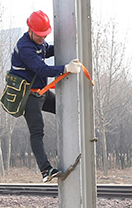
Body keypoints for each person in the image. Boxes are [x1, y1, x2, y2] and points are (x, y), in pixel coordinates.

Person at [9, 10, 81, 181]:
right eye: (39, 35)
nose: (42, 39)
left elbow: (47, 51)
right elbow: (42, 69)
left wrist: (70, 44)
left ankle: (68, 150)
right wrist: (65, 68)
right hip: (28, 97)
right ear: (30, 30)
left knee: (64, 110)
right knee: (37, 132)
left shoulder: (38, 43)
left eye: (45, 35)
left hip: (41, 92)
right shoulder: (25, 47)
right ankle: (46, 170)